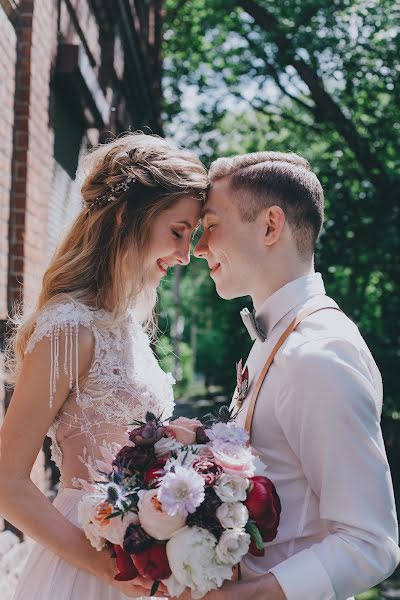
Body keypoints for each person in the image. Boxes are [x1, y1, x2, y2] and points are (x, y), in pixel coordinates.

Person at [0, 133, 208, 600]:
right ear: (126, 215)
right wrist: (106, 567)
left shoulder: (128, 327)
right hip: (86, 564)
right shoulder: (69, 329)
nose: (186, 253)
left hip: (141, 558)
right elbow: (7, 482)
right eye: (178, 231)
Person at [193, 151, 400, 600]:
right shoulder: (276, 338)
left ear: (270, 225)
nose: (199, 248)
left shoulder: (318, 354)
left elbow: (370, 543)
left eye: (210, 226)